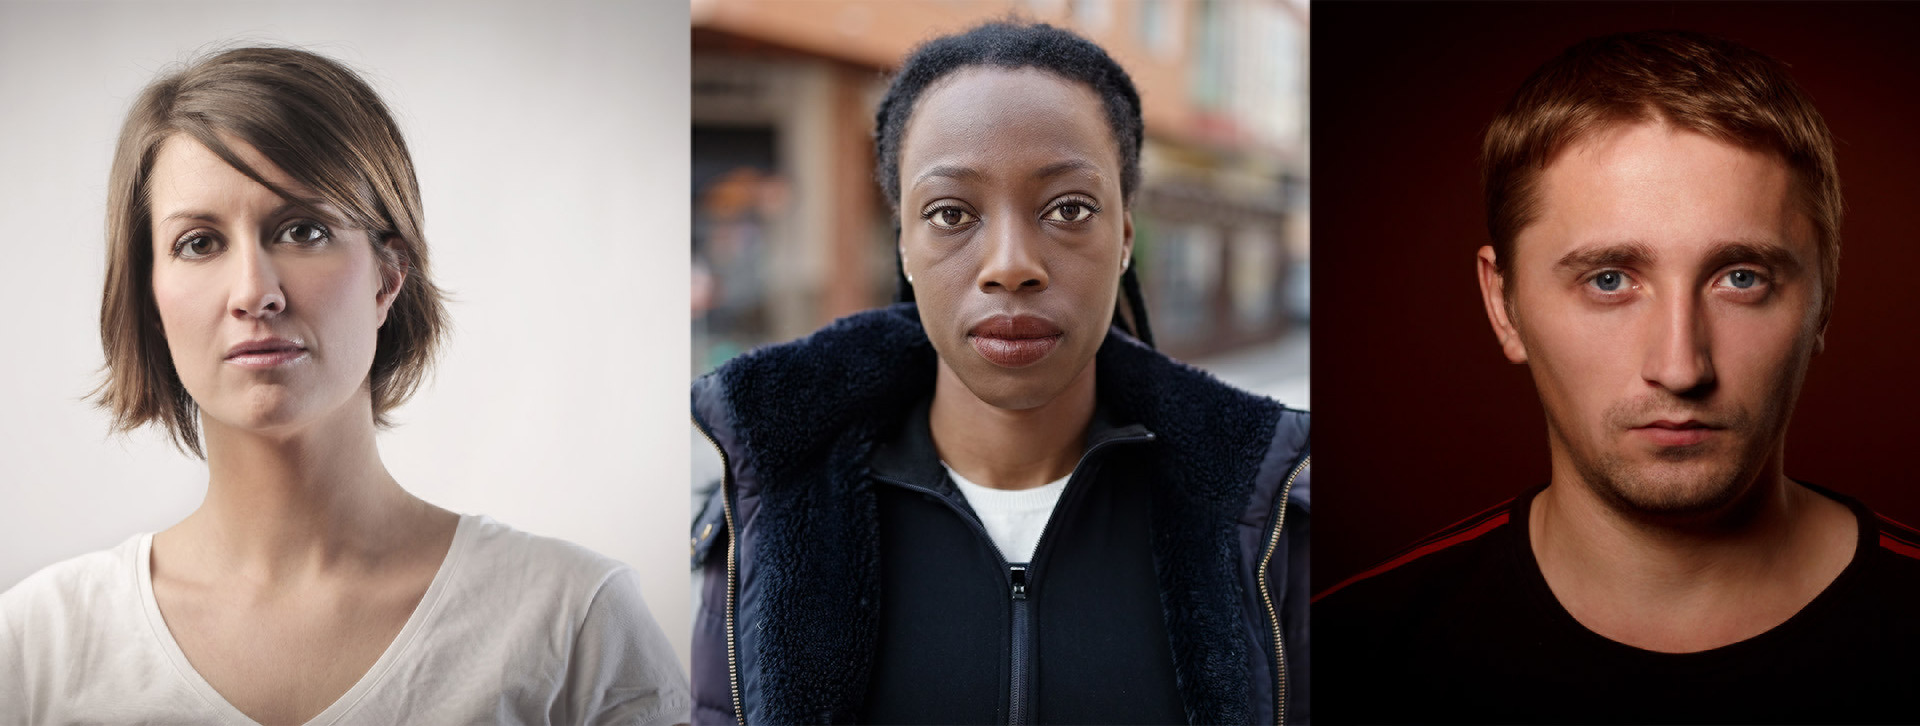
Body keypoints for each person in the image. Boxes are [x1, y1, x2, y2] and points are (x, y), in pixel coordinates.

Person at [0, 47, 688, 725]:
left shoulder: (574, 625)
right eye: (200, 243)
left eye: (302, 230)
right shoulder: (38, 647)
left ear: (388, 277)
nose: (253, 293)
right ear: (151, 296)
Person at [689, 21, 1310, 726]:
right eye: (951, 213)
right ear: (905, 245)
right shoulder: (765, 511)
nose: (1011, 264)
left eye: (1069, 209)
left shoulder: (1268, 522)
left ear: (1126, 236)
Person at [1314, 30, 1920, 724]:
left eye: (1741, 278)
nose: (1680, 367)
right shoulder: (1344, 653)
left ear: (1824, 300)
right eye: (1609, 280)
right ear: (1502, 305)